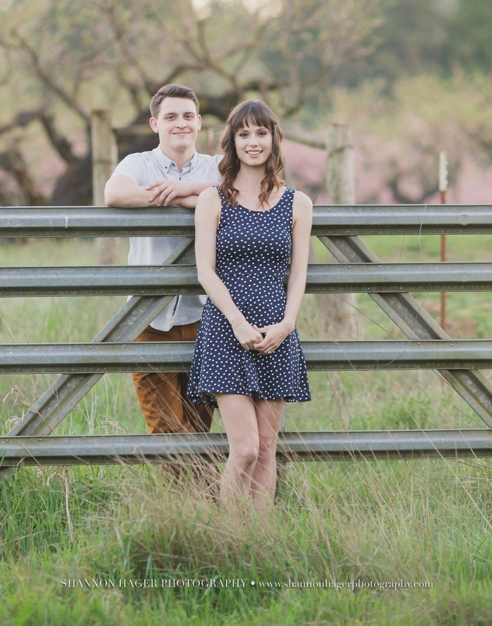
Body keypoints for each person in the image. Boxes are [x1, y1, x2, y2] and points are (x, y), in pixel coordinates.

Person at [187, 100, 313, 513]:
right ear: (233, 141)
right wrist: (237, 321)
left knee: (266, 447)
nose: (253, 142)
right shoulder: (212, 199)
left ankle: (263, 539)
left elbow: (298, 274)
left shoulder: (297, 203)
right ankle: (229, 534)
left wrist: (287, 324)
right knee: (244, 449)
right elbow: (205, 271)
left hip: (276, 331)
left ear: (274, 139)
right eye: (244, 134)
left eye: (261, 133)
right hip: (227, 330)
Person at [104, 84, 220, 488]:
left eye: (187, 115)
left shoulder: (217, 167)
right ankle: (214, 501)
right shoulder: (138, 163)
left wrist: (190, 191)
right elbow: (114, 194)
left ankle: (199, 507)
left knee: (199, 425)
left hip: (208, 315)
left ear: (199, 122)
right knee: (166, 427)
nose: (180, 123)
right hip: (150, 317)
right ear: (155, 124)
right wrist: (178, 199)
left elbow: (244, 197)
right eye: (170, 116)